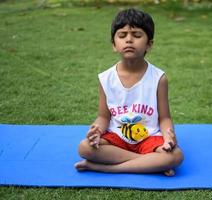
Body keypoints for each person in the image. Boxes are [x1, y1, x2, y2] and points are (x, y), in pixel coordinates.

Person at [74, 8, 183, 176]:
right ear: (113, 44)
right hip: (117, 138)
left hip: (149, 138)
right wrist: (96, 131)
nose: (129, 40)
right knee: (84, 147)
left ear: (149, 44)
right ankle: (150, 162)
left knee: (176, 156)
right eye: (122, 35)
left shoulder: (158, 78)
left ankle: (102, 167)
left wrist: (169, 137)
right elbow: (103, 117)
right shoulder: (106, 78)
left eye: (137, 35)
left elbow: (164, 118)